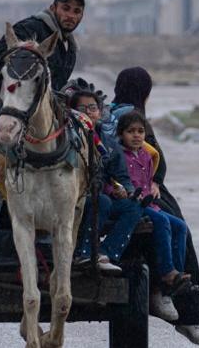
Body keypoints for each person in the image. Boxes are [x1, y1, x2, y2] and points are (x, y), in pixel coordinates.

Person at [110, 66, 199, 346]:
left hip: (136, 186)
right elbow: (151, 161)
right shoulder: (132, 116)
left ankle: (163, 289)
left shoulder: (112, 110)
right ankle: (185, 312)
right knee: (179, 228)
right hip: (135, 189)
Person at [66, 80, 141, 274]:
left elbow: (122, 175)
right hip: (71, 197)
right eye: (82, 108)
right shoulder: (67, 138)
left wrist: (127, 191)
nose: (89, 112)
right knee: (103, 202)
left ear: (100, 112)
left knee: (133, 207)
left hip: (99, 196)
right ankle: (84, 254)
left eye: (93, 107)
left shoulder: (108, 142)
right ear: (72, 112)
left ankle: (106, 253)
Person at [0, 0, 84, 91]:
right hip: (14, 100)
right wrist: (28, 54)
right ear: (53, 8)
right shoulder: (31, 28)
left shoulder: (71, 50)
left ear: (82, 15)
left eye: (77, 11)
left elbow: (56, 88)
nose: (71, 15)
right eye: (66, 8)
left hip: (48, 105)